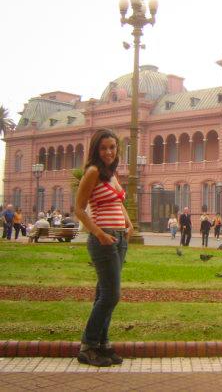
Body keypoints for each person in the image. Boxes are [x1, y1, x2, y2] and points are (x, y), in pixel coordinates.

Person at [74, 128, 133, 367]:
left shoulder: (110, 173)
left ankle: (102, 343)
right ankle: (88, 345)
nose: (109, 152)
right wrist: (99, 233)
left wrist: (128, 226)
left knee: (104, 293)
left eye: (112, 147)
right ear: (96, 150)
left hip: (119, 238)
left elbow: (118, 202)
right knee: (111, 295)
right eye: (103, 148)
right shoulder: (93, 172)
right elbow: (78, 209)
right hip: (104, 240)